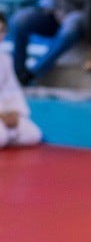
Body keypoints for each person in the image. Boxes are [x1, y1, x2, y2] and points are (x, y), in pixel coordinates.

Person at [0, 12, 43, 148]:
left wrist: (14, 113)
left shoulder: (5, 59)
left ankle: (8, 134)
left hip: (3, 114)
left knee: (33, 134)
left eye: (1, 31)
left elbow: (12, 91)